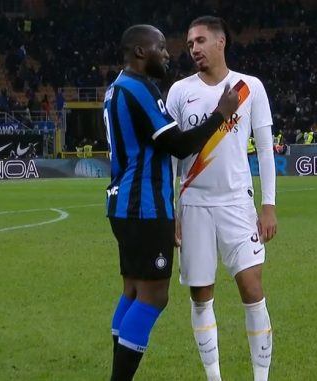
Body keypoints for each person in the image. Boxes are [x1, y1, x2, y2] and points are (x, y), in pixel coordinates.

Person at [104, 24, 239, 381]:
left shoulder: (115, 88)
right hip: (145, 205)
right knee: (153, 297)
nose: (167, 53)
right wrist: (221, 114)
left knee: (134, 292)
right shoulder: (138, 88)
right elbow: (179, 144)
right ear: (139, 52)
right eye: (160, 47)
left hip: (123, 205)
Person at [166, 16, 276, 381]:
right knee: (201, 294)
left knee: (252, 288)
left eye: (199, 40)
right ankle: (214, 378)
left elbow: (264, 149)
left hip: (237, 205)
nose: (193, 48)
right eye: (189, 44)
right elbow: (171, 155)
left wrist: (268, 205)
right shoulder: (180, 91)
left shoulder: (250, 88)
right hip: (194, 203)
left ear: (220, 42)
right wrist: (172, 210)